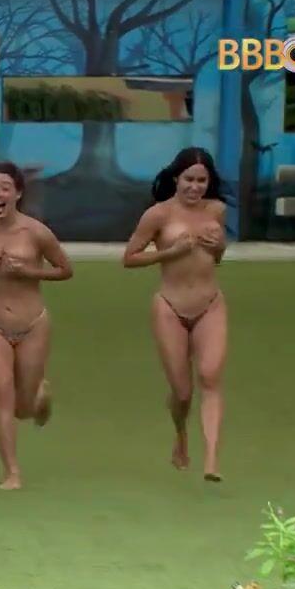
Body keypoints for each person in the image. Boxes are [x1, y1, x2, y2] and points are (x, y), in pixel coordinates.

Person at [0, 161, 73, 491]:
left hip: (33, 323)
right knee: (3, 392)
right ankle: (11, 471)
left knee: (22, 407)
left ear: (18, 194)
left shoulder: (36, 233)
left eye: (4, 188)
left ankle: (38, 395)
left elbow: (65, 270)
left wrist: (30, 272)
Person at [122, 147, 227, 482]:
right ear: (176, 179)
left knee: (210, 376)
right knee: (182, 392)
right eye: (189, 179)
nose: (195, 187)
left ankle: (211, 459)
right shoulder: (158, 215)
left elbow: (217, 257)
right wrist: (169, 251)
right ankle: (181, 434)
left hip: (210, 303)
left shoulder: (217, 210)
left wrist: (217, 246)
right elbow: (130, 257)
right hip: (170, 306)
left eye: (201, 181)